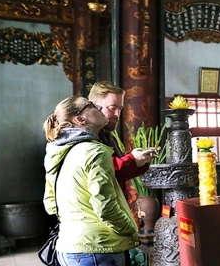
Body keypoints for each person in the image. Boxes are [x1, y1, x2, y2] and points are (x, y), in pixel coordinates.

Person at [43, 96, 138, 266]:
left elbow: (50, 203)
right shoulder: (95, 151)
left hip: (67, 246)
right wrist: (130, 229)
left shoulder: (57, 151)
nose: (99, 108)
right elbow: (105, 207)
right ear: (80, 119)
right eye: (91, 105)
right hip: (99, 248)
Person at [88, 81, 155, 229]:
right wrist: (131, 160)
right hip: (96, 218)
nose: (117, 114)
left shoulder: (107, 135)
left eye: (120, 108)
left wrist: (141, 161)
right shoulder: (86, 137)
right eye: (112, 108)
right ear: (94, 105)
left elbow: (120, 172)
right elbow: (103, 169)